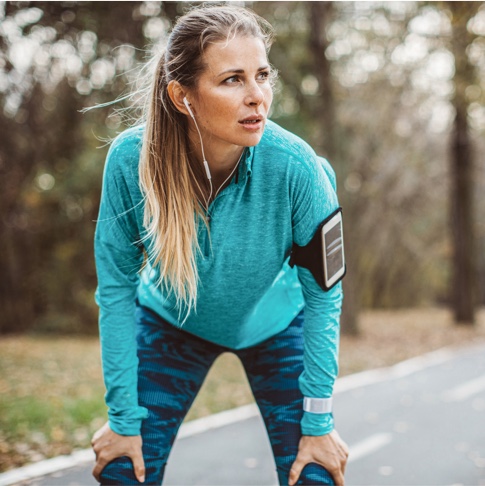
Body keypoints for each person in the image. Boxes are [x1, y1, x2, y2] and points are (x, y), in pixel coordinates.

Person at [91, 5, 349, 486]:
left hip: (277, 325)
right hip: (171, 322)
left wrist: (319, 423)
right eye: (233, 80)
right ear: (182, 95)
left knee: (315, 470)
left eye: (263, 75)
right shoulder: (131, 161)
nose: (258, 97)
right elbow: (115, 289)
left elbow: (324, 296)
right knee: (124, 469)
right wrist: (123, 420)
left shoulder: (300, 168)